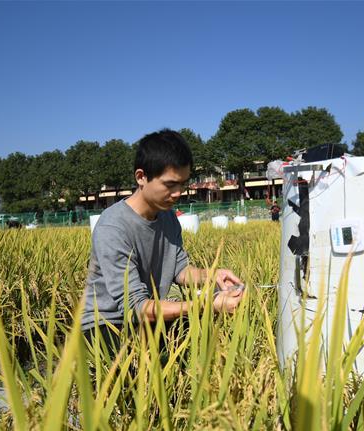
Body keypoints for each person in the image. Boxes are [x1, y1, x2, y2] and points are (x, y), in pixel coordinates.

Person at [81, 129, 244, 355]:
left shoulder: (167, 216)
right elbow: (134, 308)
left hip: (147, 315)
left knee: (212, 339)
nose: (178, 193)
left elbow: (179, 270)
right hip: (107, 324)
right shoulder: (114, 227)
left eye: (183, 184)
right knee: (154, 366)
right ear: (141, 177)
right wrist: (206, 304)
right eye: (170, 185)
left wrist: (212, 275)